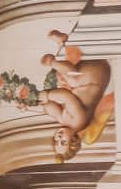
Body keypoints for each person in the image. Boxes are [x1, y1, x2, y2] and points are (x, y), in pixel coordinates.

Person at [39, 30, 112, 162]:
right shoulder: (78, 121)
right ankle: (54, 59)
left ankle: (63, 43)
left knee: (62, 79)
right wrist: (48, 95)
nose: (59, 138)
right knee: (72, 80)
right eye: (63, 142)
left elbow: (49, 108)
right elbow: (67, 97)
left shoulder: (65, 121)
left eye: (56, 141)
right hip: (98, 73)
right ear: (73, 140)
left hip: (84, 74)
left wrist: (32, 102)